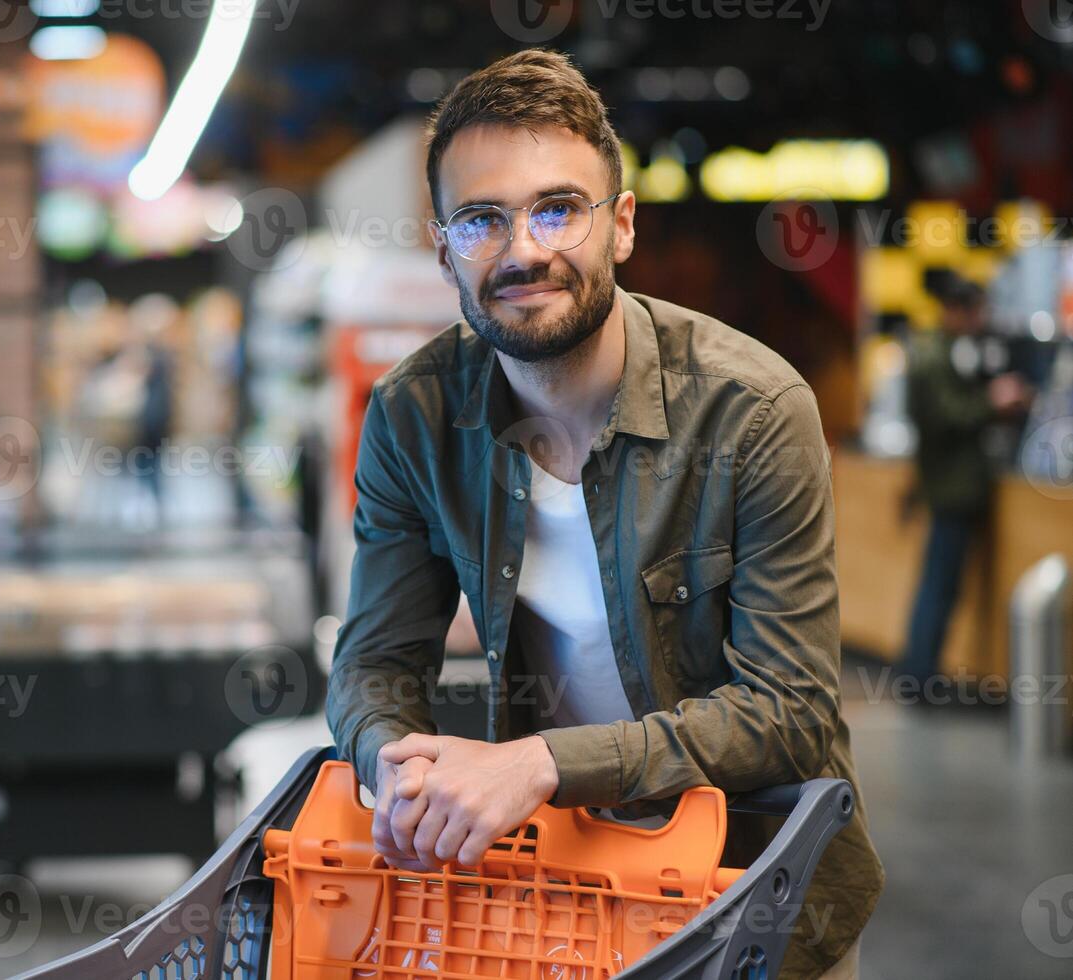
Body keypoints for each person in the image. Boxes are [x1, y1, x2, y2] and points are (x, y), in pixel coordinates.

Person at [325, 50, 882, 979]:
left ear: (620, 225)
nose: (523, 250)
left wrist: (539, 761)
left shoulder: (749, 411)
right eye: (481, 220)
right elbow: (375, 659)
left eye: (557, 208)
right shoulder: (412, 415)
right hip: (561, 886)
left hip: (755, 890)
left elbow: (788, 712)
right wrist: (395, 764)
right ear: (442, 247)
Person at [900, 277, 1031, 686]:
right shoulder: (934, 356)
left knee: (941, 583)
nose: (980, 320)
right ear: (955, 310)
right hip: (951, 487)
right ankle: (919, 675)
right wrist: (991, 402)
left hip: (954, 485)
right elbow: (947, 416)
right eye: (975, 311)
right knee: (939, 584)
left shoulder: (944, 351)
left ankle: (920, 672)